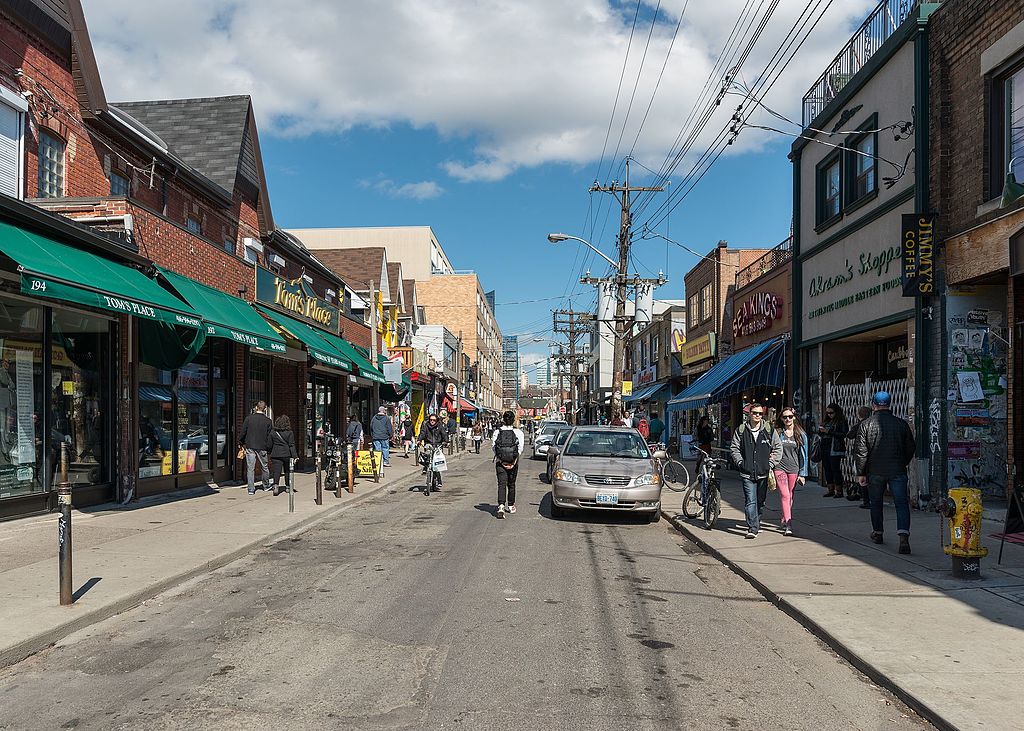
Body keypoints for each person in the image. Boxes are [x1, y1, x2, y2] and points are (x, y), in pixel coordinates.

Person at [853, 391, 916, 554]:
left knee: (876, 502)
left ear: (874, 404)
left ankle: (878, 532)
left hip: (875, 470)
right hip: (897, 469)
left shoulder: (865, 425)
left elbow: (861, 451)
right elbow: (910, 447)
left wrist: (861, 473)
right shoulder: (901, 424)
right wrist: (903, 462)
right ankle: (903, 536)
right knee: (901, 503)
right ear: (889, 404)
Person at [730, 403, 773, 538]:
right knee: (750, 500)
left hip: (763, 472)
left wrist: (770, 463)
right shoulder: (741, 430)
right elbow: (734, 448)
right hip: (747, 472)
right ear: (749, 414)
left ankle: (757, 521)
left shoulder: (768, 429)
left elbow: (778, 448)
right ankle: (752, 528)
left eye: (760, 413)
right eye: (755, 413)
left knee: (761, 501)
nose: (757, 416)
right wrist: (740, 462)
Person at [769, 408, 808, 537]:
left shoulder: (800, 434)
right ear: (781, 419)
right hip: (779, 468)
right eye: (785, 417)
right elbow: (771, 448)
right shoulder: (777, 433)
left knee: (790, 494)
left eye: (790, 416)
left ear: (794, 417)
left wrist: (803, 473)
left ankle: (785, 516)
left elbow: (804, 455)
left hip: (794, 469)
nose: (787, 419)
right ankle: (789, 525)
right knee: (785, 495)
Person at [492, 410, 525, 518]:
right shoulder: (519, 433)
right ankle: (511, 505)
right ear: (513, 420)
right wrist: (514, 461)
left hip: (500, 462)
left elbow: (494, 448)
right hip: (513, 462)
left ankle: (501, 505)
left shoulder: (497, 432)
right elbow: (520, 449)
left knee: (501, 484)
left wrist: (501, 460)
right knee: (511, 483)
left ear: (503, 419)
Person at [240, 401, 273, 495]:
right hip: (262, 446)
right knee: (265, 467)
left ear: (256, 407)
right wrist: (269, 447)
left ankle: (251, 489)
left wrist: (241, 442)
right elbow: (269, 436)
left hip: (250, 445)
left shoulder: (248, 419)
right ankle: (266, 485)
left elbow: (243, 432)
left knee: (250, 468)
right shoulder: (268, 421)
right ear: (265, 409)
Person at [817, 403, 849, 498]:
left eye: (831, 413)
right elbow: (820, 433)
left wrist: (829, 431)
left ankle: (839, 491)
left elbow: (844, 434)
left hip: (834, 447)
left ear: (836, 412)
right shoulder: (826, 421)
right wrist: (821, 431)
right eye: (827, 413)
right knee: (827, 469)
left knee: (835, 469)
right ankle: (830, 489)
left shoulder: (841, 421)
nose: (829, 415)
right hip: (825, 446)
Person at [846, 406, 872, 507]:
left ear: (859, 414)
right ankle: (869, 498)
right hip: (873, 455)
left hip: (861, 455)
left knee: (862, 478)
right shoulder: (873, 423)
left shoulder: (860, 425)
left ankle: (866, 501)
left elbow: (849, 435)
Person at [418, 412, 449, 487]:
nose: (432, 421)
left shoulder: (440, 426)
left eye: (434, 420)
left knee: (438, 463)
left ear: (437, 420)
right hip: (428, 443)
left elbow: (444, 434)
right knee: (427, 454)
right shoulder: (426, 426)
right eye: (431, 420)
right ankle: (426, 467)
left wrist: (446, 441)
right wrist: (419, 440)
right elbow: (422, 433)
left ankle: (439, 481)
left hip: (438, 444)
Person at [269, 414, 297, 496]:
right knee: (287, 471)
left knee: (276, 471)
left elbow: (269, 444)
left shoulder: (273, 433)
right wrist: (295, 456)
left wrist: (270, 452)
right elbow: (292, 445)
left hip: (276, 454)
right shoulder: (290, 433)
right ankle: (288, 486)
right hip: (286, 454)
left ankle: (275, 486)